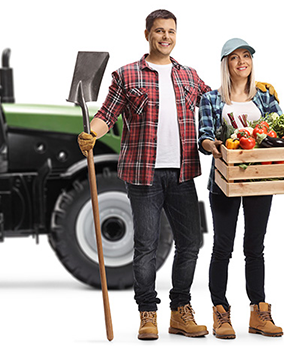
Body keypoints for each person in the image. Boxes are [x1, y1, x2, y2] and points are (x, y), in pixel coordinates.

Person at [77, 9, 211, 340]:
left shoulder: (189, 76)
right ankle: (147, 314)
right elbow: (106, 115)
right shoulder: (127, 75)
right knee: (146, 246)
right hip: (143, 175)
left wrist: (250, 88)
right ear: (147, 34)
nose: (166, 37)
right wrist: (91, 133)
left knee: (190, 243)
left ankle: (180, 310)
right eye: (159, 31)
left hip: (182, 173)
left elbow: (215, 103)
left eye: (171, 31)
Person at [197, 38, 284, 339]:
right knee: (223, 247)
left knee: (254, 248)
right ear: (226, 64)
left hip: (260, 180)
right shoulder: (211, 98)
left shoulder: (264, 96)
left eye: (246, 56)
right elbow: (204, 135)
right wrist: (214, 145)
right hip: (225, 181)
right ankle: (221, 312)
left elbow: (281, 131)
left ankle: (259, 311)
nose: (241, 62)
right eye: (234, 58)